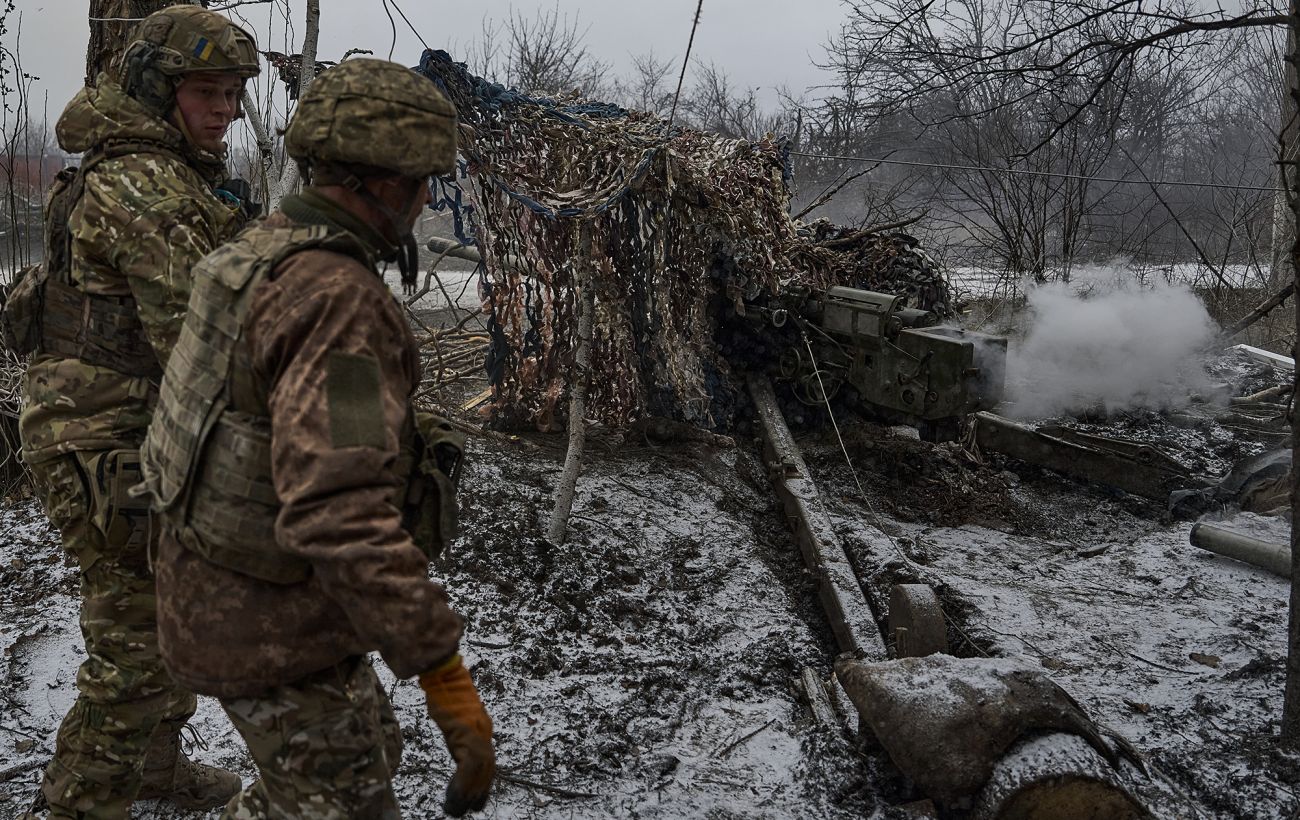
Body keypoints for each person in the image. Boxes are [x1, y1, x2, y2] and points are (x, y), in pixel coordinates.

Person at [137, 57, 496, 818]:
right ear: (386, 184)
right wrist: (445, 674)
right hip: (266, 621)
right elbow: (338, 511)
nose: (429, 197)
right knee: (349, 801)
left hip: (211, 586)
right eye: (424, 180)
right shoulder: (338, 302)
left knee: (351, 761)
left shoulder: (254, 250)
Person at [11, 6, 260, 816]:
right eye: (207, 92)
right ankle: (83, 801)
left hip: (132, 424)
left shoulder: (171, 172)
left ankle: (156, 771)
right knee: (136, 647)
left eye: (232, 94)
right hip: (100, 439)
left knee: (172, 606)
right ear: (161, 90)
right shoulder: (145, 186)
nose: (224, 109)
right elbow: (202, 344)